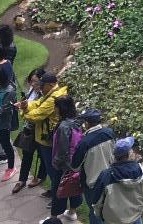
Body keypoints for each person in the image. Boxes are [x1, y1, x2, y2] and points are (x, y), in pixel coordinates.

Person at [20, 70, 68, 190]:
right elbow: (37, 103)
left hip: (48, 139)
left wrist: (23, 111)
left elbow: (36, 115)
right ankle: (54, 191)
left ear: (50, 85)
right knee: (50, 167)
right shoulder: (51, 93)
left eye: (42, 85)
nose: (40, 88)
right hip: (45, 137)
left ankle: (56, 196)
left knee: (53, 171)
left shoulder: (53, 98)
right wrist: (27, 105)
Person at [89, 137, 143, 224]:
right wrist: (138, 208)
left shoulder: (106, 175)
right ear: (129, 153)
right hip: (134, 218)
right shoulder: (141, 171)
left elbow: (96, 201)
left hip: (112, 220)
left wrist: (101, 215)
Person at [72, 107, 115, 224]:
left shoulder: (84, 142)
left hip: (92, 183)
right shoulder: (109, 133)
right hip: (110, 178)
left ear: (86, 123)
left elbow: (75, 166)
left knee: (94, 212)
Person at [46, 95, 84, 223]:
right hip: (76, 163)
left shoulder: (63, 126)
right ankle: (72, 212)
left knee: (58, 190)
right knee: (74, 187)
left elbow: (62, 150)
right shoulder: (78, 121)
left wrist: (55, 163)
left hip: (63, 165)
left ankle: (54, 218)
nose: (54, 109)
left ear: (61, 108)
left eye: (55, 106)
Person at [13, 66, 45, 192]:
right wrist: (20, 105)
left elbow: (38, 113)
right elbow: (26, 103)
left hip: (40, 130)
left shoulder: (45, 95)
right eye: (31, 81)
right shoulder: (32, 90)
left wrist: (24, 110)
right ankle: (22, 180)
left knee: (42, 156)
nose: (32, 84)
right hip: (29, 129)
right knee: (27, 155)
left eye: (35, 81)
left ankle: (41, 176)